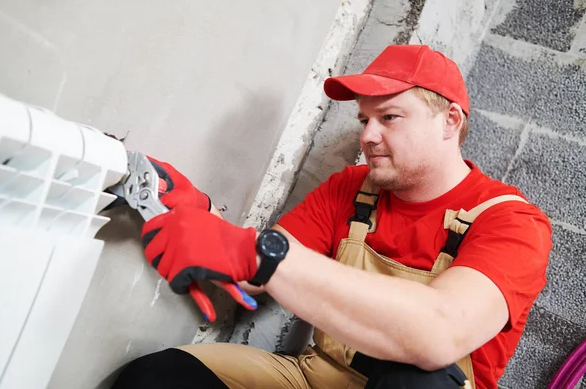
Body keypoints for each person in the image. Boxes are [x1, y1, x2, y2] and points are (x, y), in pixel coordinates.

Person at [111, 44, 552, 389]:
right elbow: (255, 273)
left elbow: (439, 334)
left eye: (389, 117)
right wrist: (197, 215)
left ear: (450, 121)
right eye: (364, 120)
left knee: (416, 380)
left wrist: (266, 255)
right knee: (156, 378)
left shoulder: (510, 222)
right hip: (319, 376)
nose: (368, 136)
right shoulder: (351, 187)